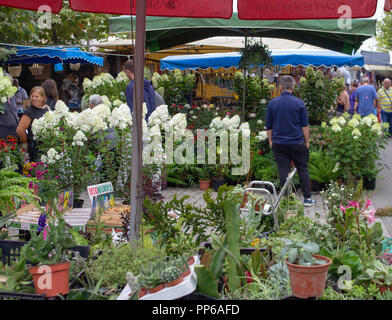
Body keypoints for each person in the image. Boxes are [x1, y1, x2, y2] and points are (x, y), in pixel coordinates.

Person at [265, 75, 317, 207]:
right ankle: (307, 198)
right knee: (303, 169)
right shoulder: (299, 103)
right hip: (297, 142)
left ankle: (287, 199)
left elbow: (269, 125)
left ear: (280, 87)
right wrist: (307, 142)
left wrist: (271, 141)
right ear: (293, 87)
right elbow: (304, 125)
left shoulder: (273, 103)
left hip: (279, 143)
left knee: (283, 171)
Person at [16, 86, 50, 163]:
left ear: (43, 97)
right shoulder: (29, 112)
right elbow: (20, 130)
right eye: (32, 96)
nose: (34, 98)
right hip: (36, 148)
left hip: (48, 146)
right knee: (39, 171)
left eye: (36, 96)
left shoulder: (47, 108)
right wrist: (27, 141)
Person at [0, 74, 19, 140]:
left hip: (13, 134)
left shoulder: (11, 95)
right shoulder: (1, 97)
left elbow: (14, 110)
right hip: (3, 136)